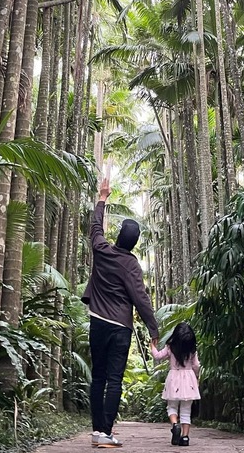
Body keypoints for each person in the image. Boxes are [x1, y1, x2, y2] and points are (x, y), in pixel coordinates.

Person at [82, 178, 159, 449]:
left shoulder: (102, 249)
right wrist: (153, 329)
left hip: (97, 322)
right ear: (135, 243)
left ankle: (96, 432)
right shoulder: (131, 265)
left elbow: (94, 228)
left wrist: (102, 198)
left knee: (98, 376)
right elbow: (141, 298)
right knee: (114, 379)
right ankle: (105, 432)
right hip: (120, 328)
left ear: (117, 236)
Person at [151, 322, 200, 447]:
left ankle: (175, 425)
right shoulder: (192, 349)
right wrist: (197, 377)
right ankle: (185, 438)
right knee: (186, 411)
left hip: (174, 378)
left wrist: (152, 346)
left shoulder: (170, 347)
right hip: (189, 379)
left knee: (172, 407)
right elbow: (196, 366)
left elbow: (157, 356)